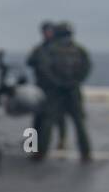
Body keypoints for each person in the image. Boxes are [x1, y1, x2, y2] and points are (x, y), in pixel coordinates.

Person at [32, 21, 92, 162]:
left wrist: (58, 83)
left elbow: (44, 69)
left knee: (48, 121)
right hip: (72, 90)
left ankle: (40, 152)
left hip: (55, 91)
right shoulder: (79, 50)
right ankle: (86, 152)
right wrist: (74, 82)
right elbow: (86, 68)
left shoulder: (48, 50)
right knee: (79, 122)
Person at [25, 21, 66, 149]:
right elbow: (30, 61)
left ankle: (61, 140)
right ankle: (33, 142)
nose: (47, 33)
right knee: (38, 116)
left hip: (55, 88)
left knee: (58, 116)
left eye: (49, 31)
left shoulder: (57, 48)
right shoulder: (40, 48)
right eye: (45, 31)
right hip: (42, 86)